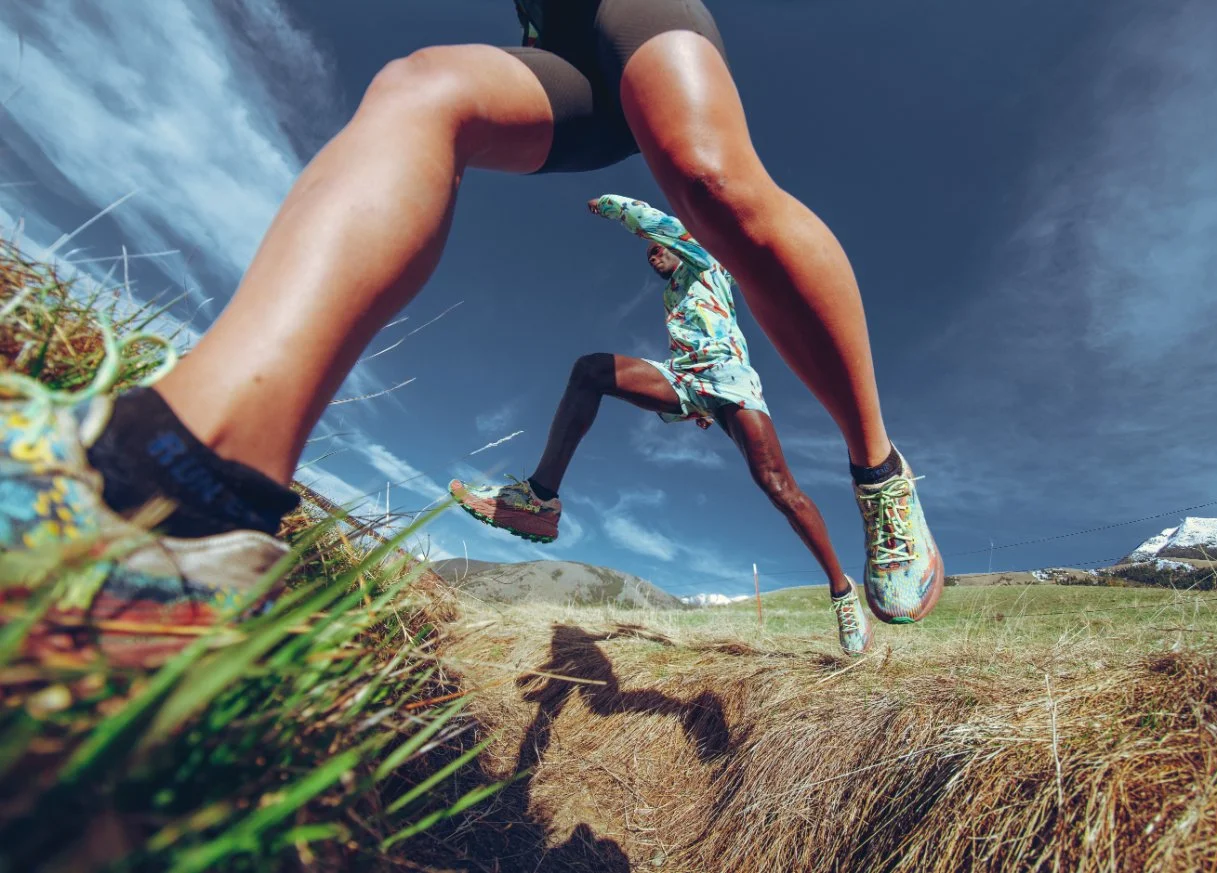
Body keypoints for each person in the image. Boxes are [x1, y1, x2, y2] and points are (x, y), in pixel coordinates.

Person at [0, 1, 942, 664]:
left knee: (706, 180)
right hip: (569, 68)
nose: (661, 264)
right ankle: (186, 483)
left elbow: (672, 227)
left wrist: (624, 210)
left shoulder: (691, 259)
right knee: (420, 89)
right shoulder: (668, 294)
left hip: (642, 44)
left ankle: (877, 476)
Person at [451, 194, 875, 654]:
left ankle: (841, 592)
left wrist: (611, 205)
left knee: (778, 487)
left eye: (658, 248)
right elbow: (686, 350)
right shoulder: (673, 295)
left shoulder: (704, 259)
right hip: (686, 379)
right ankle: (540, 499)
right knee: (590, 370)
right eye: (650, 253)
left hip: (729, 379)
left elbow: (657, 224)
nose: (653, 254)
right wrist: (691, 407)